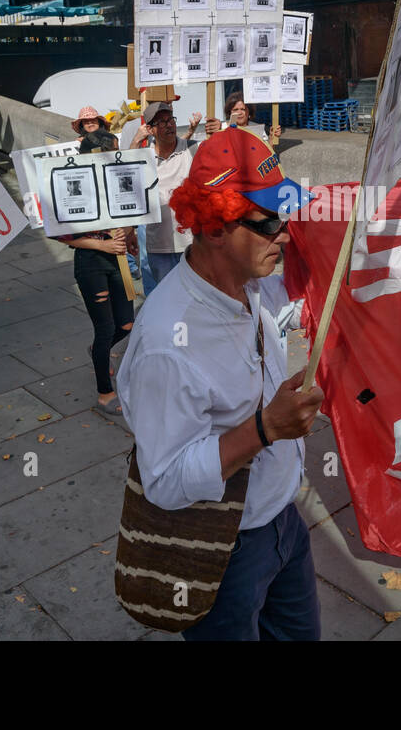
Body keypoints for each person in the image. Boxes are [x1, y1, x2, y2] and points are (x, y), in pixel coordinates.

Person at [116, 127, 323, 640]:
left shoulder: (250, 282)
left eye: (287, 215)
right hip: (225, 550)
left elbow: (287, 310)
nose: (284, 233)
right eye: (270, 221)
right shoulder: (168, 343)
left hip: (284, 521)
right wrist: (265, 429)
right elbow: (163, 481)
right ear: (212, 227)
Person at [53, 128, 136, 409]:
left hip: (118, 260)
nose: (117, 155)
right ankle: (105, 393)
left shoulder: (115, 179)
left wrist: (127, 233)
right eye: (113, 150)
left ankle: (98, 351)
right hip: (91, 263)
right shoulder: (71, 183)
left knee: (126, 324)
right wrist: (102, 245)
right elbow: (62, 234)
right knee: (105, 328)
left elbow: (131, 216)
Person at [130, 101, 216, 284]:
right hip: (159, 246)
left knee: (199, 298)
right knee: (167, 300)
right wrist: (136, 140)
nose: (169, 124)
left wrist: (219, 132)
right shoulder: (145, 156)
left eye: (171, 119)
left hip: (193, 244)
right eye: (161, 122)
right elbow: (126, 178)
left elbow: (220, 161)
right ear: (150, 129)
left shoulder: (193, 149)